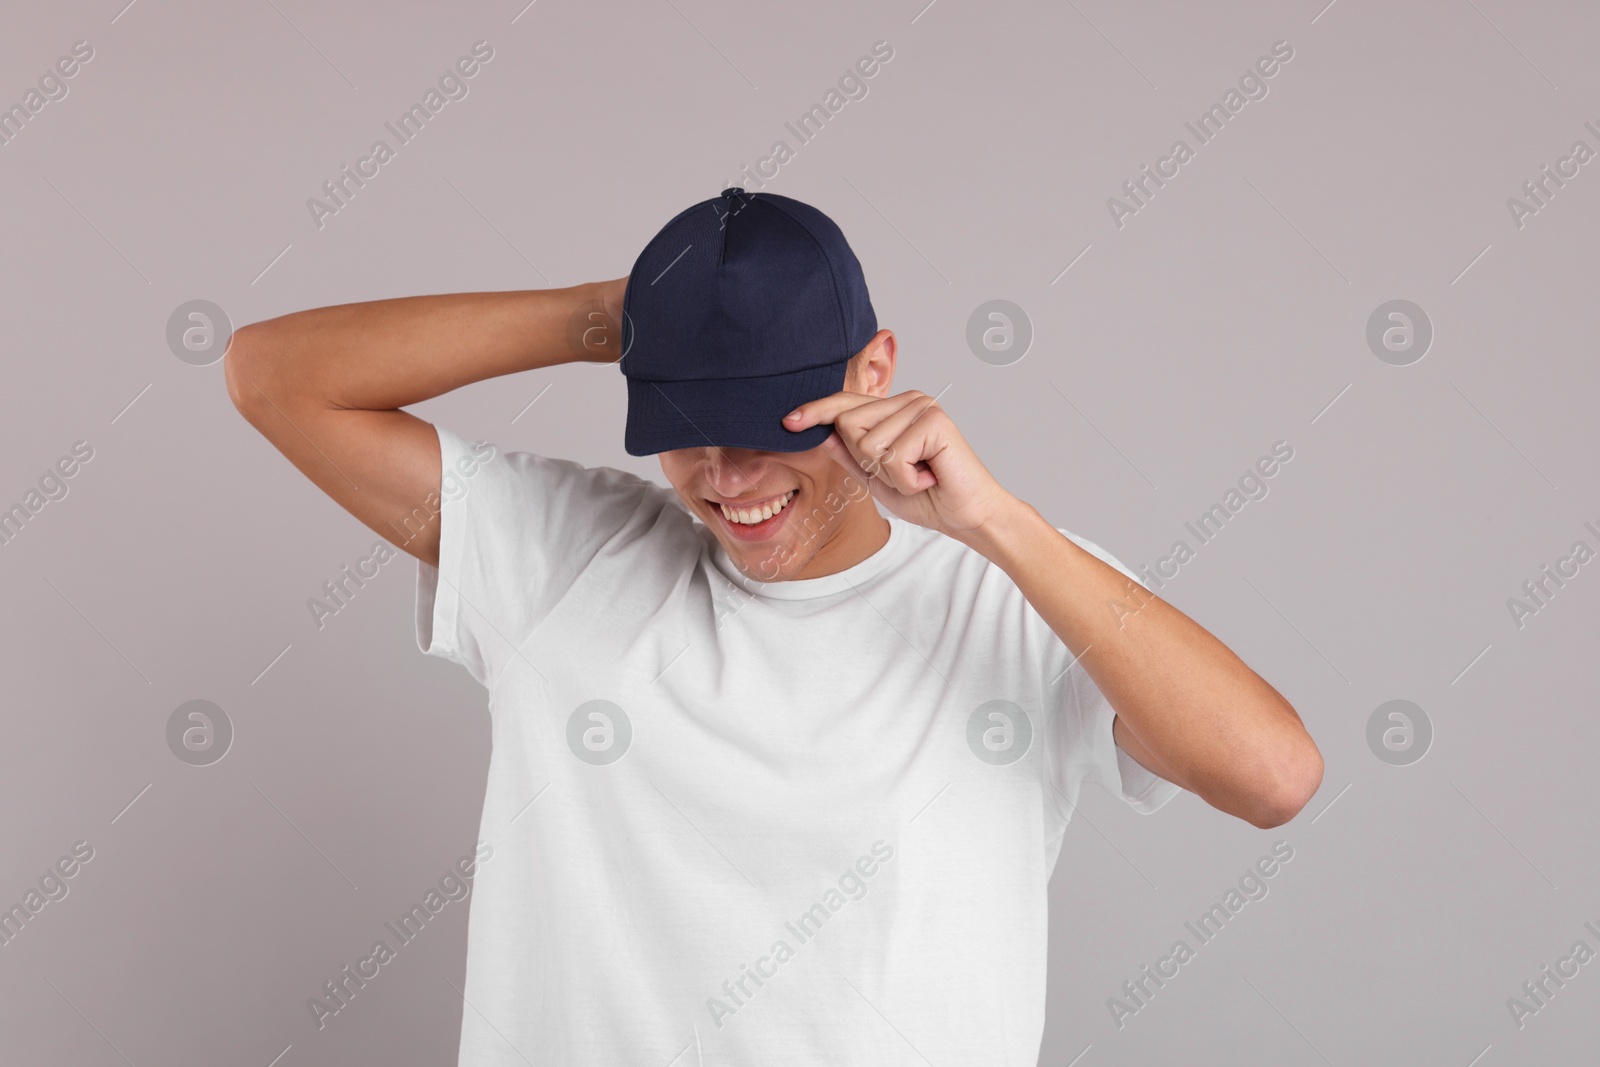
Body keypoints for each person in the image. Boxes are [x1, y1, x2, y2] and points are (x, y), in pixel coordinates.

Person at [225, 186, 1322, 1065]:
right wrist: (617, 313)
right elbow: (271, 376)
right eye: (689, 427)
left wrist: (995, 521)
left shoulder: (1012, 596)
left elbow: (1271, 774)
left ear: (874, 374)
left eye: (765, 425)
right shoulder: (561, 555)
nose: (729, 475)